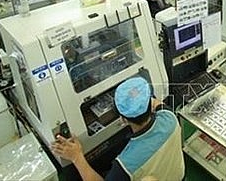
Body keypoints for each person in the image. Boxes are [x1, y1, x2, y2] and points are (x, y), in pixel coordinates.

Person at [51, 77, 185, 181]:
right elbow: (155, 103)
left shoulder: (125, 164)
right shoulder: (169, 117)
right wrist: (138, 95)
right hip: (177, 175)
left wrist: (76, 157)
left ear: (123, 120)